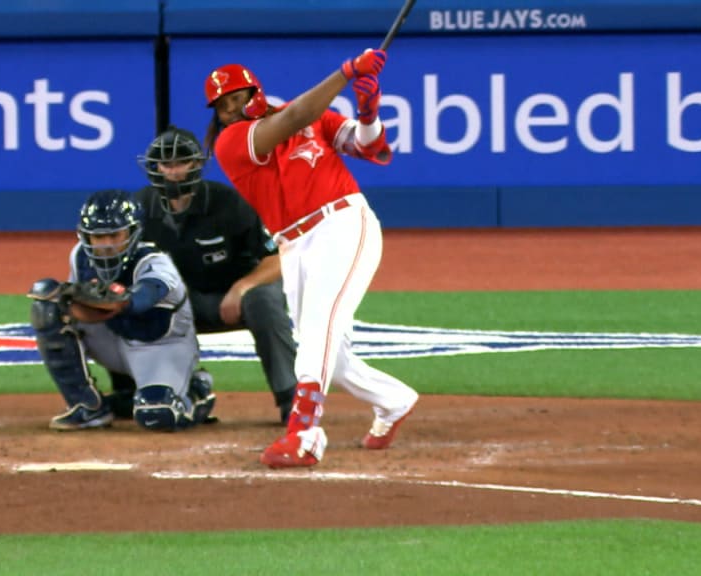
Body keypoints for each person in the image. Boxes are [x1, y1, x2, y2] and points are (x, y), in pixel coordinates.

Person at [203, 50, 419, 468]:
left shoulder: (309, 116)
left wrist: (368, 106)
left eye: (235, 97)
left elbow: (370, 146)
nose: (229, 109)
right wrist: (346, 73)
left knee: (318, 331)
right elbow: (291, 120)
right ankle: (394, 400)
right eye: (221, 105)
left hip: (342, 222)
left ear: (254, 90)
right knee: (328, 356)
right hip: (294, 245)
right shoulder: (233, 141)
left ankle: (303, 434)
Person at [134, 126, 298, 423]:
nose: (173, 171)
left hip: (237, 297)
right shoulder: (141, 208)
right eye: (165, 164)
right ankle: (147, 392)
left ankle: (291, 399)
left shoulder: (230, 203)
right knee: (134, 302)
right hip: (184, 302)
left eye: (181, 162)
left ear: (197, 164)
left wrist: (242, 288)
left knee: (263, 301)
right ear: (154, 167)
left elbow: (278, 258)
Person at [27, 189, 215, 432]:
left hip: (160, 346)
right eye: (98, 237)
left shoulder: (155, 263)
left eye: (115, 235)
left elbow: (138, 301)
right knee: (48, 309)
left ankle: (197, 390)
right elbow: (79, 310)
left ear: (133, 233)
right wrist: (62, 299)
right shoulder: (80, 257)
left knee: (157, 415)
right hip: (113, 338)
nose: (106, 245)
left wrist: (98, 299)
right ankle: (87, 406)